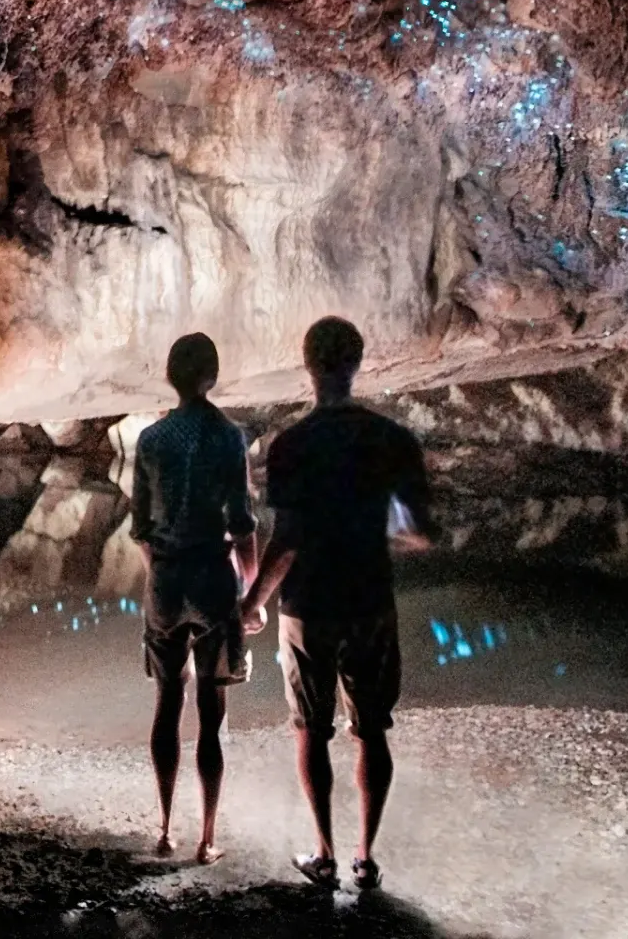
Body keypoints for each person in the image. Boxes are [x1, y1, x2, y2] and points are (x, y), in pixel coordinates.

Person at [240, 316, 432, 894]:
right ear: (357, 362)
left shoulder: (292, 444)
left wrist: (252, 601)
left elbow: (288, 538)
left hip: (308, 605)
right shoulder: (393, 439)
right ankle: (366, 860)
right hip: (370, 597)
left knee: (310, 728)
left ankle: (323, 854)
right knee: (371, 730)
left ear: (309, 365)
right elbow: (419, 530)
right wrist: (379, 524)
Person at [130, 332, 252, 866]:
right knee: (211, 707)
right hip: (211, 575)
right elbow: (242, 523)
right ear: (213, 376)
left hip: (167, 577)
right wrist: (247, 589)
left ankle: (162, 829)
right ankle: (206, 839)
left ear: (170, 377)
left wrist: (158, 574)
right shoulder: (229, 436)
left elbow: (139, 528)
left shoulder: (152, 439)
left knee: (166, 703)